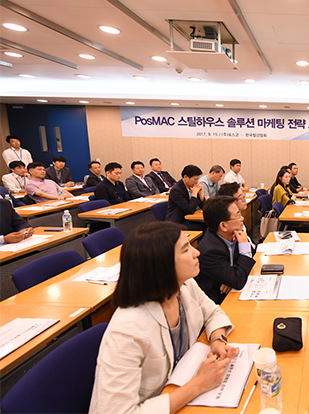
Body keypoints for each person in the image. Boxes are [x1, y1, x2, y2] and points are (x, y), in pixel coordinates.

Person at [89, 222, 238, 414]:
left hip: (179, 391)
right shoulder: (127, 329)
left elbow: (213, 313)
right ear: (161, 265)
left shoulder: (184, 287)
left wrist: (218, 339)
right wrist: (198, 384)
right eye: (186, 250)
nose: (197, 253)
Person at [195, 196, 255, 305]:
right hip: (217, 303)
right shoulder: (209, 251)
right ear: (223, 225)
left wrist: (230, 278)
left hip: (232, 294)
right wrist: (233, 277)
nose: (242, 218)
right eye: (238, 215)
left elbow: (251, 259)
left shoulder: (232, 235)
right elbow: (238, 280)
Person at [165, 164, 205, 230]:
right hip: (178, 222)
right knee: (203, 227)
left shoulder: (193, 186)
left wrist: (201, 194)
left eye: (198, 179)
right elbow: (189, 209)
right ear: (185, 177)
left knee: (209, 224)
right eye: (195, 179)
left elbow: (204, 207)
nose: (197, 182)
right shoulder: (176, 190)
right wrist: (194, 193)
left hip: (188, 219)